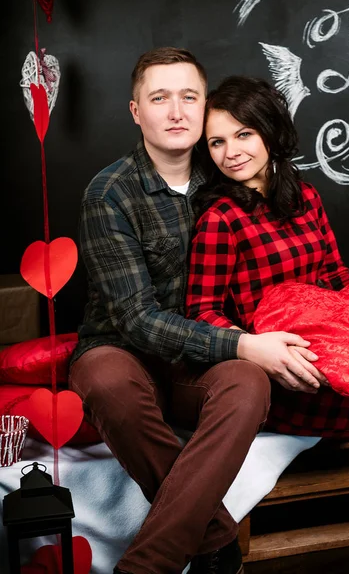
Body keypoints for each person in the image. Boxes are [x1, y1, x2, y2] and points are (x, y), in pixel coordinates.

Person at [69, 49, 325, 574]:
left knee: (249, 383)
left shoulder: (230, 170)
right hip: (122, 350)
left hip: (197, 364)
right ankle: (205, 539)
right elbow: (136, 320)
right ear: (137, 111)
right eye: (159, 98)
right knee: (107, 380)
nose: (177, 112)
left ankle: (151, 560)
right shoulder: (110, 193)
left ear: (205, 105)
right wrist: (242, 343)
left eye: (189, 97)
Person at [186, 74, 349, 442]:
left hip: (339, 348)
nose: (230, 152)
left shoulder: (306, 196)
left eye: (243, 134)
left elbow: (336, 276)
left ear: (270, 131)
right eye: (216, 142)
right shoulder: (220, 220)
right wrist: (259, 351)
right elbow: (201, 313)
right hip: (287, 373)